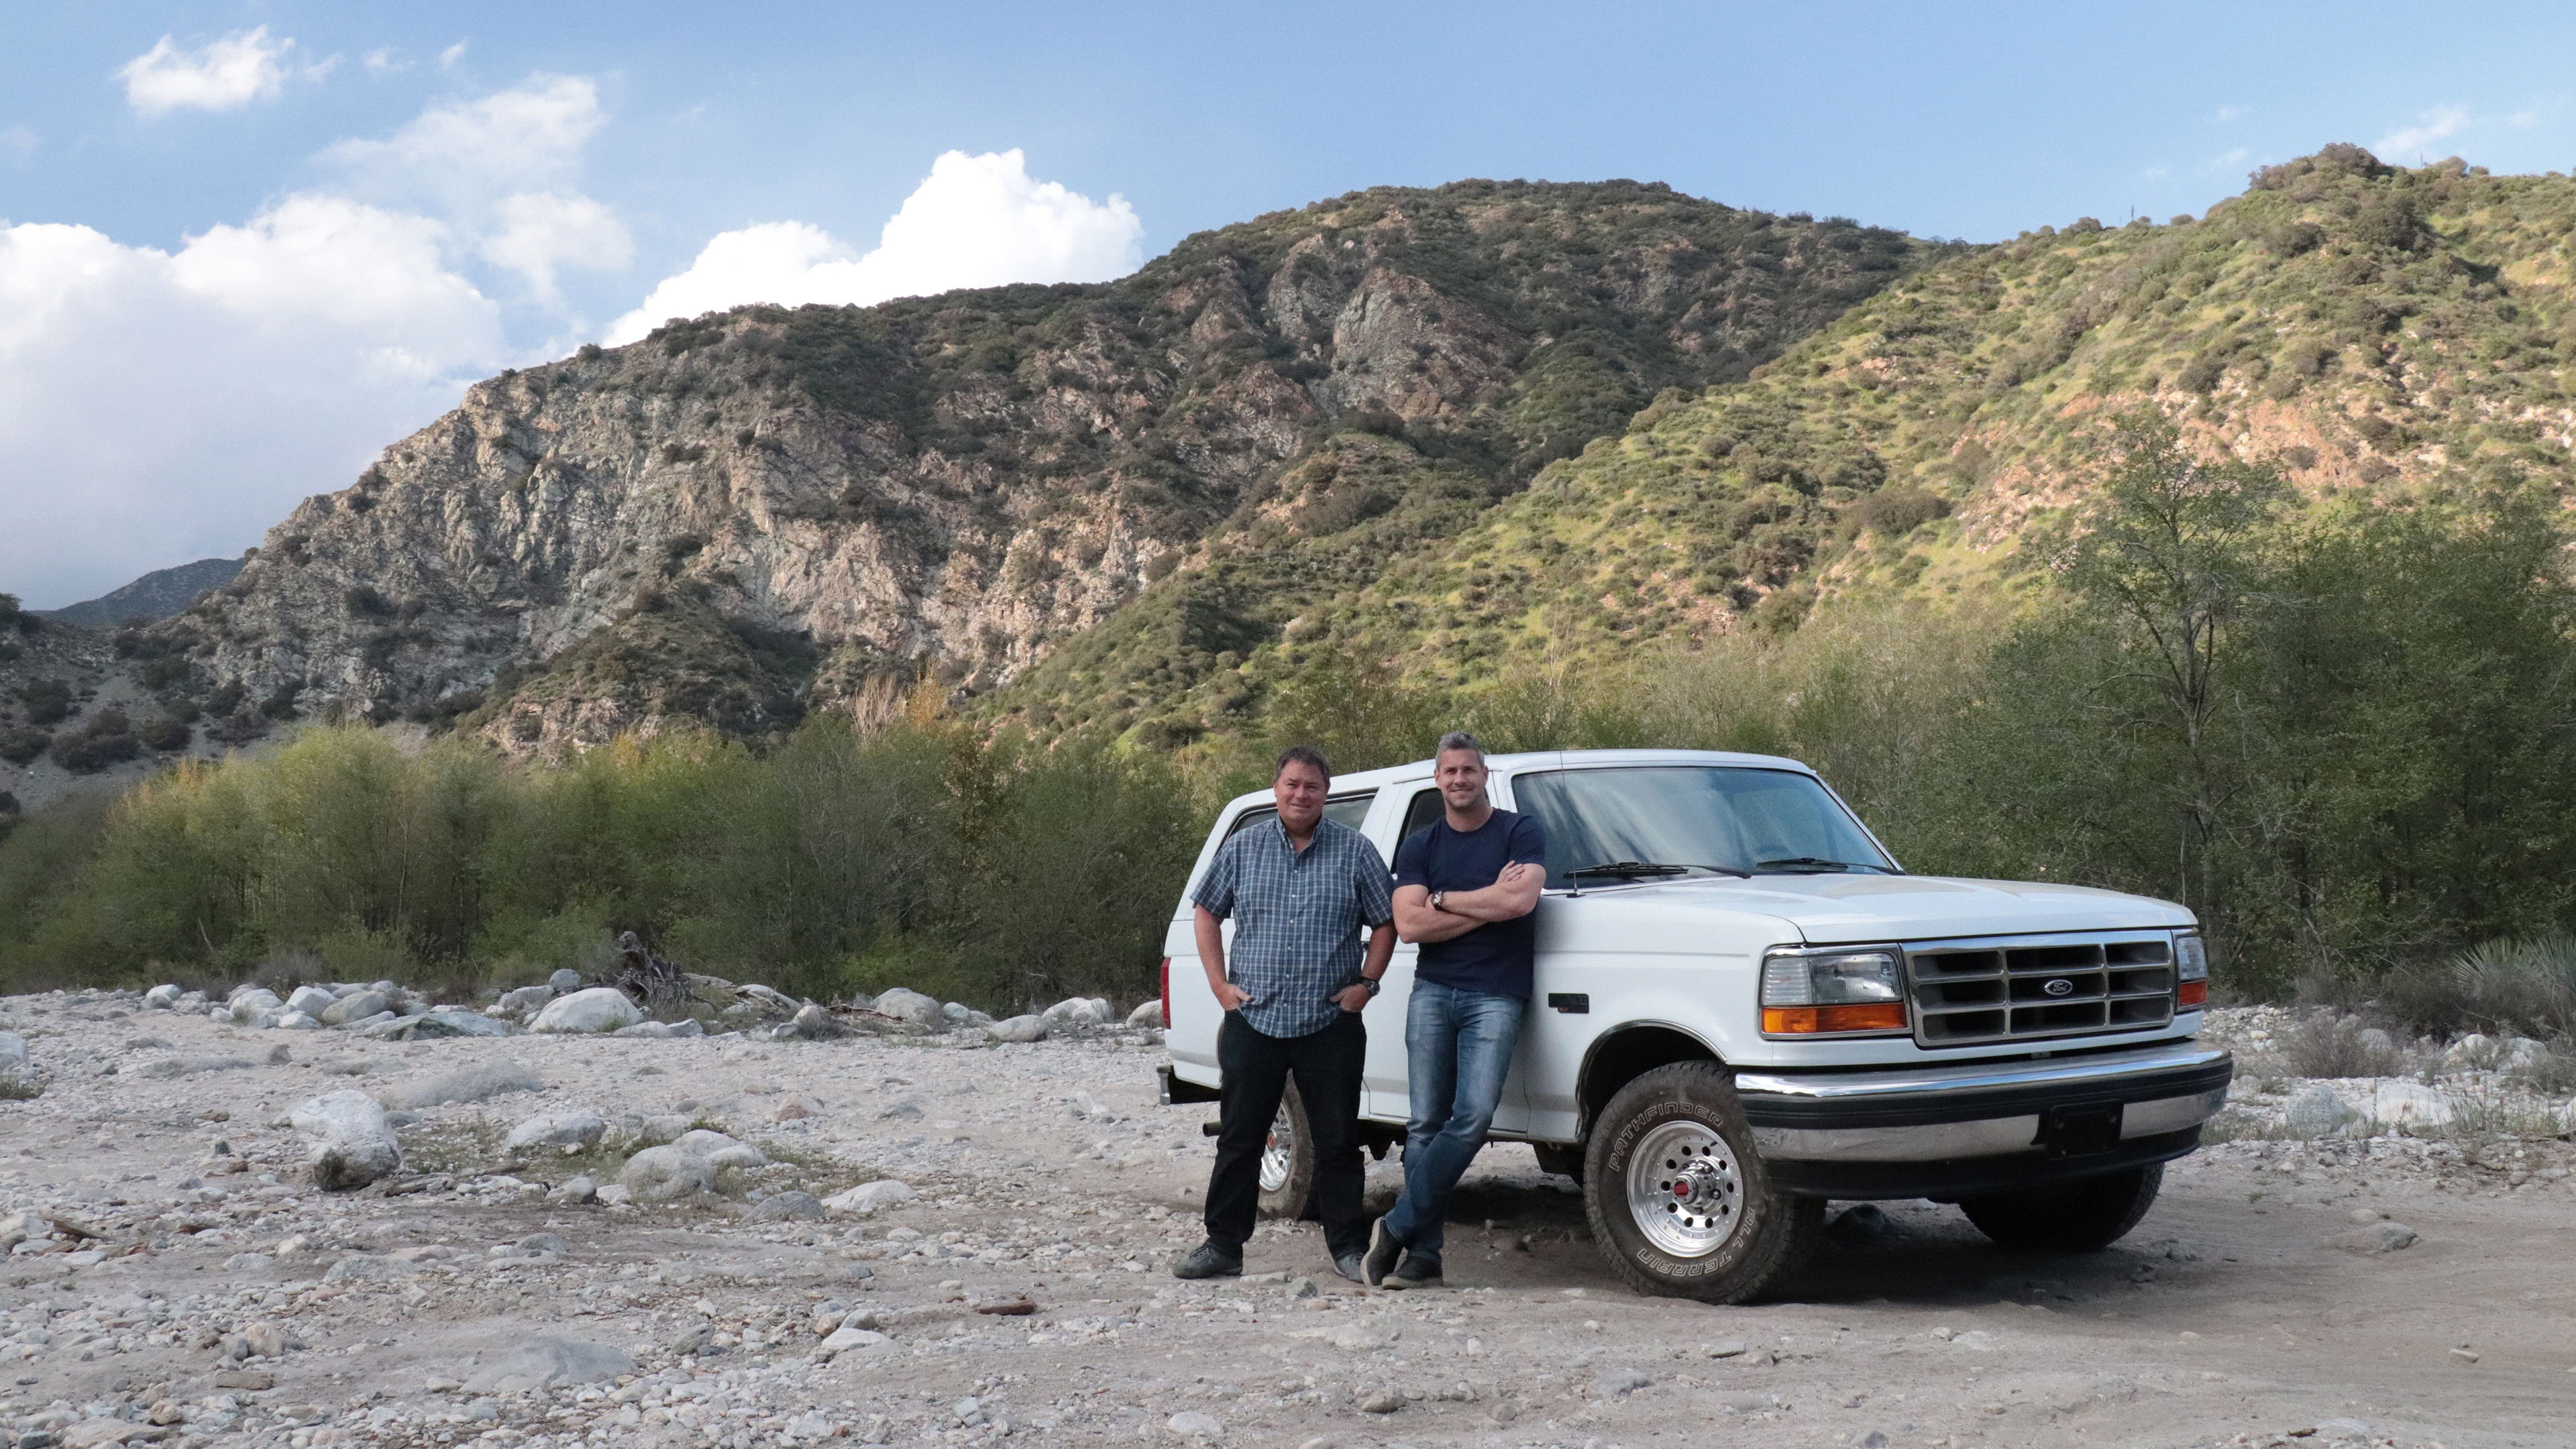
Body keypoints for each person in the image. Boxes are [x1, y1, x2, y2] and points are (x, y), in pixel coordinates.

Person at [1177, 745, 1397, 1282]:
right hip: (1254, 1019)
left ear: (1327, 793)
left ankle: (1347, 1249)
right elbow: (1205, 912)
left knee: (1339, 1141)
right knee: (1240, 1138)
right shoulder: (1243, 848)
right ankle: (1223, 1246)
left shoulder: (1356, 851)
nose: (1301, 795)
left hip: (1330, 1023)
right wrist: (1219, 986)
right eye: (1293, 784)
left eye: (1312, 786)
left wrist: (1366, 985)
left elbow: (1387, 921)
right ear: (1276, 787)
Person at [1364, 731, 1546, 1289]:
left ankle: (1395, 1229)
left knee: (1470, 1119)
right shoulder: (1421, 844)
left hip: (1497, 993)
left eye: (1469, 770)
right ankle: (1425, 1260)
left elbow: (1521, 900)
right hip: (1433, 993)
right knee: (1424, 1125)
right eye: (1450, 772)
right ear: (1437, 780)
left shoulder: (1521, 829)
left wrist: (1443, 899)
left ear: (1484, 775)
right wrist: (1483, 903)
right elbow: (1412, 925)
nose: (1460, 780)